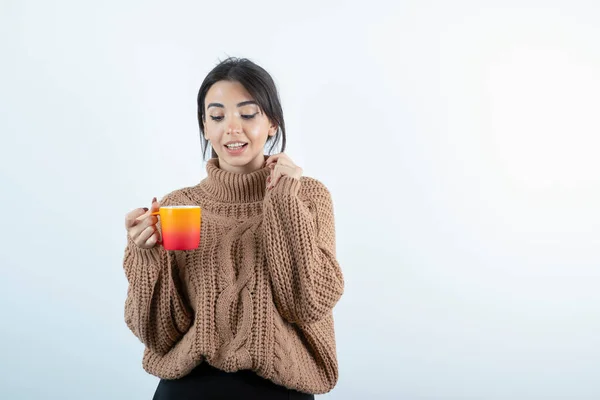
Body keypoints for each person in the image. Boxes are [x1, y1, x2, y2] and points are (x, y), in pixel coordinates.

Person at [122, 57, 344, 400]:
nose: (232, 128)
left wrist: (283, 199)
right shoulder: (178, 206)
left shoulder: (308, 197)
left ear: (272, 123)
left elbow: (308, 304)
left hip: (281, 389)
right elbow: (158, 334)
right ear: (205, 127)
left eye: (248, 113)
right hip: (188, 390)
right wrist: (146, 256)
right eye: (217, 116)